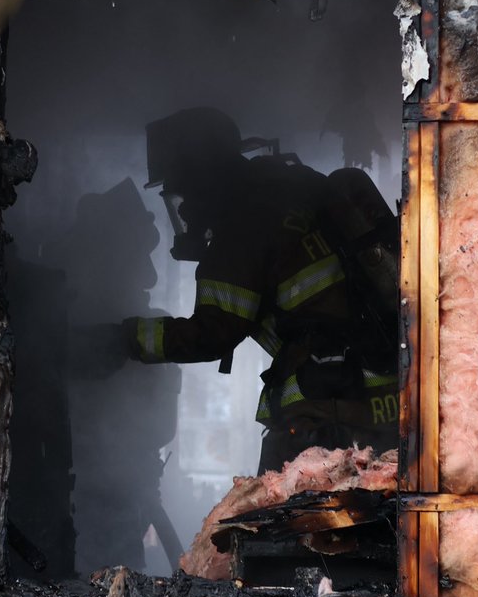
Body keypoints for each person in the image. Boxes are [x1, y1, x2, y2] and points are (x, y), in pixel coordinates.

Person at [119, 107, 399, 474]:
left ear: (205, 180)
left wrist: (123, 340)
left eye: (183, 195)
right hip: (386, 402)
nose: (185, 211)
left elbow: (211, 334)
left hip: (327, 416)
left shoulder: (240, 224)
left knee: (283, 521)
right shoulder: (296, 183)